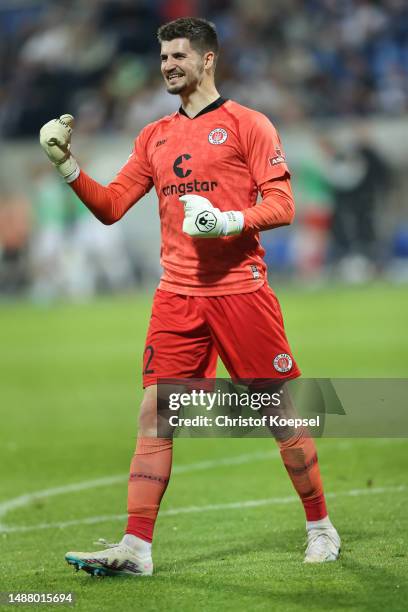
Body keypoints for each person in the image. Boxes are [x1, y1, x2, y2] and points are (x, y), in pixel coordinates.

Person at [39, 17, 340, 577]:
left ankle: (321, 528)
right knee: (155, 414)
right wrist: (67, 166)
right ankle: (136, 549)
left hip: (240, 293)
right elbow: (110, 206)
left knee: (275, 412)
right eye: (162, 58)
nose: (168, 65)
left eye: (179, 56)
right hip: (176, 296)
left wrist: (228, 219)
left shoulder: (250, 125)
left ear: (208, 60)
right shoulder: (153, 135)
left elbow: (283, 205)